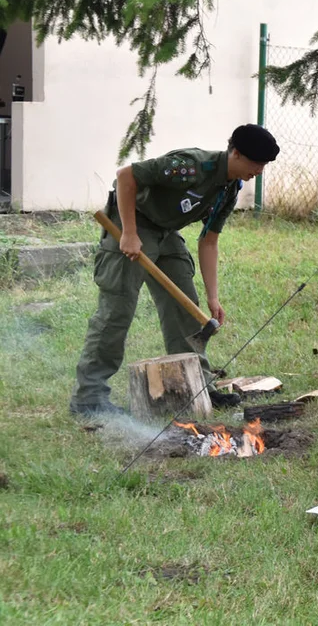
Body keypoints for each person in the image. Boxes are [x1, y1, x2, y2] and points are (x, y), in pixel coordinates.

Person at [71, 124, 278, 417]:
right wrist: (129, 233)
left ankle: (197, 387)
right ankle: (88, 397)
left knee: (186, 311)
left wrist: (213, 299)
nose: (259, 170)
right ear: (235, 152)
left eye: (264, 165)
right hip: (132, 222)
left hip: (166, 232)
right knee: (116, 312)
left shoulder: (229, 189)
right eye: (256, 162)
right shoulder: (192, 166)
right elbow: (126, 177)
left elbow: (209, 241)